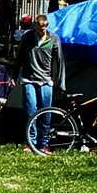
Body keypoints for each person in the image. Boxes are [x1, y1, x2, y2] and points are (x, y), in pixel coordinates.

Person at [18, 14, 66, 153]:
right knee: (31, 110)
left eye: (45, 27)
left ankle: (44, 143)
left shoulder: (54, 39)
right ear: (35, 26)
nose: (42, 30)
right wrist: (14, 76)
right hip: (29, 79)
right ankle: (30, 141)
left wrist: (60, 82)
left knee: (46, 112)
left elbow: (60, 61)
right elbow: (19, 57)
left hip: (46, 80)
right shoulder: (27, 38)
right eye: (40, 28)